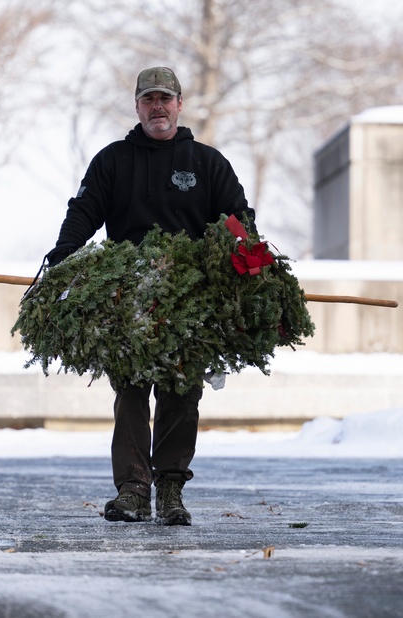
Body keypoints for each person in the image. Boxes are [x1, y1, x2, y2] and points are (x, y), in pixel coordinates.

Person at [46, 66, 255, 526]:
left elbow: (237, 218)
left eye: (166, 98)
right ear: (137, 106)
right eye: (148, 99)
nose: (157, 107)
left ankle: (171, 490)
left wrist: (249, 253)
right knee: (132, 393)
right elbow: (84, 212)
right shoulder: (112, 161)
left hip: (191, 299)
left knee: (182, 393)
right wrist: (63, 255)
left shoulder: (208, 163)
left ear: (180, 104)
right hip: (130, 297)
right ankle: (133, 491)